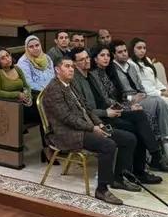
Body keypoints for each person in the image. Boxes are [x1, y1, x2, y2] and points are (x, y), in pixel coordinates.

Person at [41, 56, 139, 205]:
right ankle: (102, 189)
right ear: (57, 70)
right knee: (108, 145)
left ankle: (118, 179)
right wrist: (92, 128)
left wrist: (99, 124)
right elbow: (67, 118)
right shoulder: (53, 89)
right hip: (67, 133)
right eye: (67, 66)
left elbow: (87, 108)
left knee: (129, 138)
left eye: (72, 66)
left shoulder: (71, 84)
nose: (71, 69)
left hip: (86, 127)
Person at [71, 48, 163, 183]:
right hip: (98, 119)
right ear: (74, 63)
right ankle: (137, 171)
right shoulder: (75, 81)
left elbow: (105, 99)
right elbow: (84, 110)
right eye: (82, 59)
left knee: (139, 115)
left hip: (108, 112)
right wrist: (106, 112)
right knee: (136, 130)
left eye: (87, 58)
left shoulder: (91, 75)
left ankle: (152, 156)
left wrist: (125, 107)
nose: (86, 61)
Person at [91, 45, 168, 169]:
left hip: (118, 108)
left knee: (140, 115)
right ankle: (153, 159)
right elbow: (106, 100)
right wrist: (128, 107)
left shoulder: (109, 72)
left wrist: (130, 104)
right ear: (95, 59)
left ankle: (153, 158)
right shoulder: (94, 75)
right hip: (107, 114)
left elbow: (119, 95)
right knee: (138, 124)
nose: (106, 58)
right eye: (102, 55)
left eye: (108, 55)